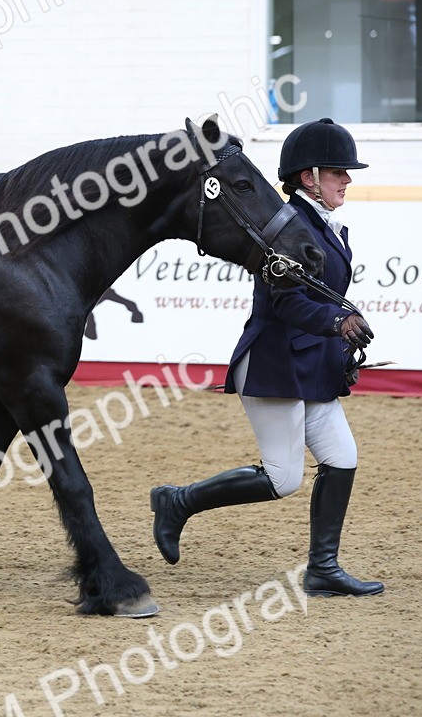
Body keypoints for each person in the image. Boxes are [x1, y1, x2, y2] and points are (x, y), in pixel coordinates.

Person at [150, 118, 383, 597]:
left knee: (342, 457)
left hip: (312, 365)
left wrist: (341, 340)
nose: (347, 179)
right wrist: (336, 322)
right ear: (308, 177)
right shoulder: (283, 225)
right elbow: (286, 302)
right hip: (275, 363)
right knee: (283, 478)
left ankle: (322, 569)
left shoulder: (326, 225)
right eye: (337, 171)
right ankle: (178, 502)